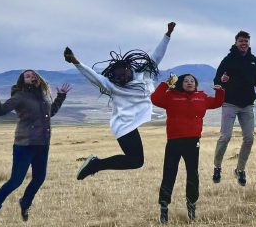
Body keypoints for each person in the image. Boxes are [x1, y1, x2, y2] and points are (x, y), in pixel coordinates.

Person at [64, 22, 174, 180]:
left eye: (125, 74)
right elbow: (93, 77)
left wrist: (167, 35)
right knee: (136, 161)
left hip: (133, 122)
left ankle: (96, 164)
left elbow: (157, 56)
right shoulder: (112, 86)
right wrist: (76, 62)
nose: (123, 78)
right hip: (123, 125)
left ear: (130, 69)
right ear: (113, 77)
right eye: (119, 77)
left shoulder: (144, 74)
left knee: (136, 161)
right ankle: (95, 164)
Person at [0, 71, 70, 227]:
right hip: (25, 145)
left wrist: (60, 97)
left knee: (39, 178)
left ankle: (25, 202)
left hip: (42, 144)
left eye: (33, 75)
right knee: (16, 181)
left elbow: (51, 112)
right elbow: (0, 111)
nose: (32, 77)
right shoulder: (20, 96)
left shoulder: (43, 96)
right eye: (27, 76)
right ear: (22, 81)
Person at [150, 74, 225, 223]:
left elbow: (217, 102)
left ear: (196, 84)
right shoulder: (171, 96)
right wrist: (166, 84)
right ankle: (164, 209)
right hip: (174, 141)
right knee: (169, 174)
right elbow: (155, 99)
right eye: (186, 81)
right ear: (180, 83)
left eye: (192, 81)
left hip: (193, 141)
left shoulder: (201, 97)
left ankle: (191, 207)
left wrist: (221, 91)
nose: (189, 83)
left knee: (193, 174)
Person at [212, 31, 256, 186]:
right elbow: (217, 79)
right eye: (241, 41)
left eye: (246, 41)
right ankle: (217, 166)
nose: (244, 43)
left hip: (247, 104)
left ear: (249, 43)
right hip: (230, 103)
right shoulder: (228, 60)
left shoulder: (254, 60)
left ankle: (240, 169)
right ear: (236, 42)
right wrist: (222, 80)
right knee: (225, 137)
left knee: (249, 138)